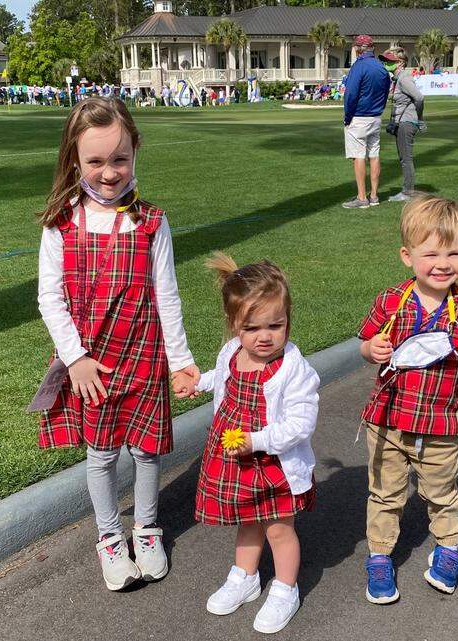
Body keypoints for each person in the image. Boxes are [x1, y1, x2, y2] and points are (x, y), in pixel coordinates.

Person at [34, 97, 200, 591]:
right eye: (96, 161)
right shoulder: (60, 222)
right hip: (94, 366)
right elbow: (49, 298)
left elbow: (167, 296)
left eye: (120, 159)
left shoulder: (151, 222)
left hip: (146, 356)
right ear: (74, 160)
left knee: (148, 453)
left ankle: (146, 530)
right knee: (103, 454)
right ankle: (109, 538)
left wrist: (182, 362)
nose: (110, 172)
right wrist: (76, 359)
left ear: (135, 152)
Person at [356, 195, 458, 604]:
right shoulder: (389, 302)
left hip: (440, 425)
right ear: (407, 256)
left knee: (441, 491)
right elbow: (365, 345)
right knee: (385, 493)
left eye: (454, 252)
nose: (443, 263)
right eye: (430, 253)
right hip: (387, 420)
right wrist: (373, 351)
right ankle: (380, 556)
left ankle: (448, 547)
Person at [177, 253, 319, 634]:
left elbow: (301, 424)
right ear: (235, 325)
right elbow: (221, 377)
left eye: (276, 324)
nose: (265, 336)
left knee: (278, 528)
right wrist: (199, 382)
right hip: (236, 459)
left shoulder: (294, 370)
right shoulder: (232, 353)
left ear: (288, 320)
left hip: (273, 463)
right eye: (252, 327)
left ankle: (285, 588)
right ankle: (245, 576)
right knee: (248, 523)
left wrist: (256, 440)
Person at [341, 34, 391, 209]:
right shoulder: (381, 67)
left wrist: (347, 117)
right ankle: (374, 196)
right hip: (375, 117)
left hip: (359, 117)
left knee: (359, 156)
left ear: (358, 48)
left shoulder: (359, 66)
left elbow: (351, 94)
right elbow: (386, 92)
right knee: (374, 154)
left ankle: (362, 198)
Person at [380, 47, 424, 202]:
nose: (385, 64)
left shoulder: (404, 78)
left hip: (406, 122)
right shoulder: (398, 78)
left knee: (406, 158)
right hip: (403, 122)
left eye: (388, 61)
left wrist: (419, 119)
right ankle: (407, 190)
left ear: (399, 63)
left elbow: (419, 98)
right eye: (384, 61)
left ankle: (408, 192)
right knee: (404, 158)